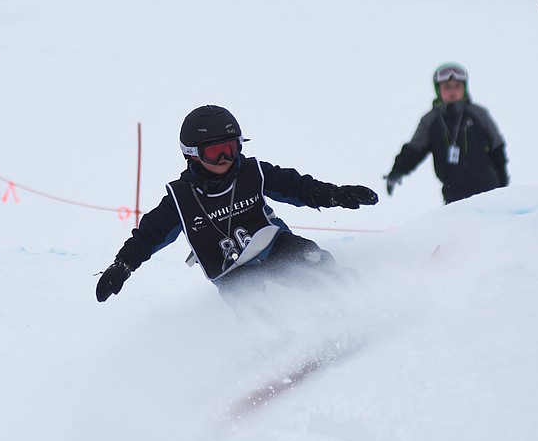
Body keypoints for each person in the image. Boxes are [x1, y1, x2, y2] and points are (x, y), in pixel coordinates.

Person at [95, 105, 378, 306]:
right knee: (250, 301)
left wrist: (336, 195)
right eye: (214, 153)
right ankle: (275, 348)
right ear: (192, 155)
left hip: (272, 245)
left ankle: (358, 300)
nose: (225, 160)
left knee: (310, 261)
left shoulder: (253, 172)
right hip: (230, 271)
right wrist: (123, 266)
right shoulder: (180, 199)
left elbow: (299, 188)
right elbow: (149, 236)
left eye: (230, 148)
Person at [385, 63, 508, 204]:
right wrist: (396, 172)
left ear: (464, 88)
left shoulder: (478, 114)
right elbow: (413, 150)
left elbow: (498, 148)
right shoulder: (430, 121)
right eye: (446, 87)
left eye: (457, 86)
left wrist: (503, 187)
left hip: (488, 191)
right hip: (453, 194)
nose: (452, 92)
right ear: (438, 90)